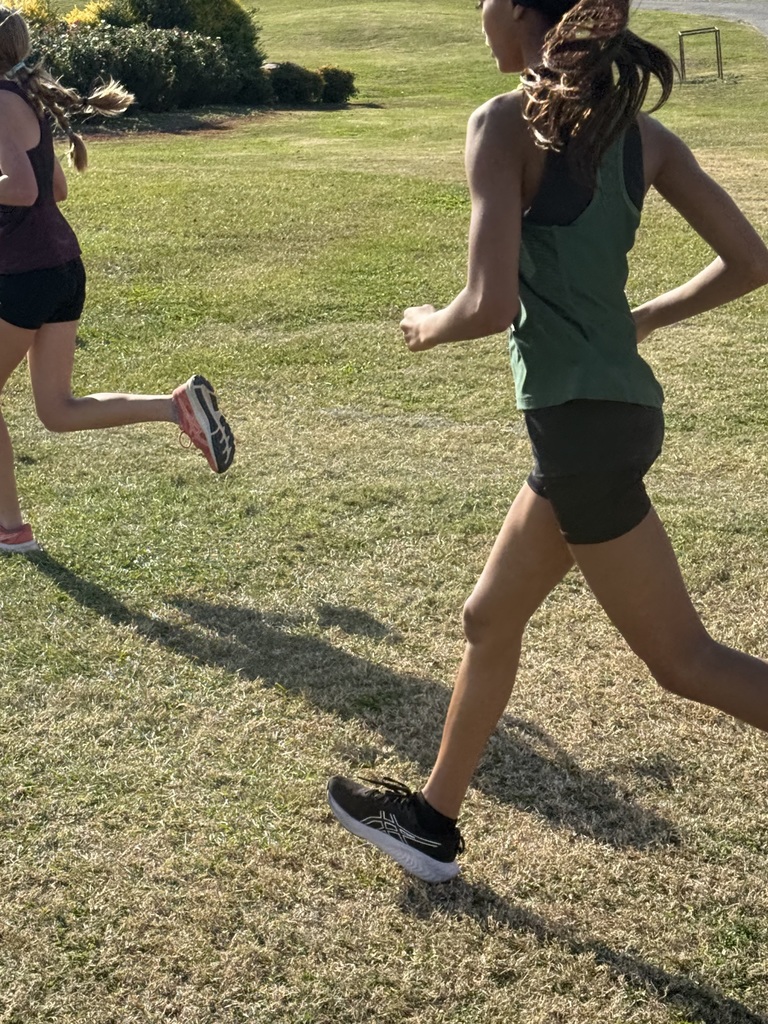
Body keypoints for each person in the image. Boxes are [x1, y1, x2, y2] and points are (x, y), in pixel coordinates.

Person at [327, 0, 768, 882]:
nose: (478, 11)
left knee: (683, 661)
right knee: (488, 618)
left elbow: (486, 305)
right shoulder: (643, 137)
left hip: (583, 433)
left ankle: (431, 822)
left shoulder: (500, 123)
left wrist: (427, 323)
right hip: (610, 418)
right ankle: (430, 822)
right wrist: (639, 319)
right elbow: (752, 260)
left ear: (527, 14)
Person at [0, 7, 235, 555]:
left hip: (24, 273)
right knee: (57, 411)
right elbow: (54, 187)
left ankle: (10, 529)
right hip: (60, 267)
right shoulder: (24, 99)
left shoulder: (1, 101)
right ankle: (175, 406)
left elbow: (24, 190)